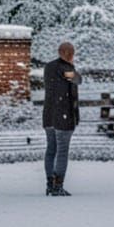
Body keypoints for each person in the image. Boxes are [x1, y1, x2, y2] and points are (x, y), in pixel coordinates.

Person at [43, 40, 81, 196]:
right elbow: (78, 79)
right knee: (62, 151)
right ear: (69, 54)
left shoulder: (48, 67)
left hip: (49, 115)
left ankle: (50, 184)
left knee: (51, 149)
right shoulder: (67, 69)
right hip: (63, 116)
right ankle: (58, 185)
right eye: (71, 53)